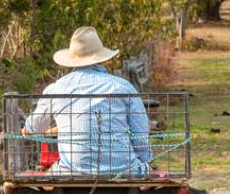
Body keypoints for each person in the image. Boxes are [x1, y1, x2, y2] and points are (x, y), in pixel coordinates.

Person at [22, 27, 152, 178]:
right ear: (101, 58)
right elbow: (141, 134)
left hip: (70, 172)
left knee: (47, 178)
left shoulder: (55, 89)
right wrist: (144, 162)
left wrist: (27, 129)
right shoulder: (123, 87)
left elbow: (33, 129)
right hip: (125, 171)